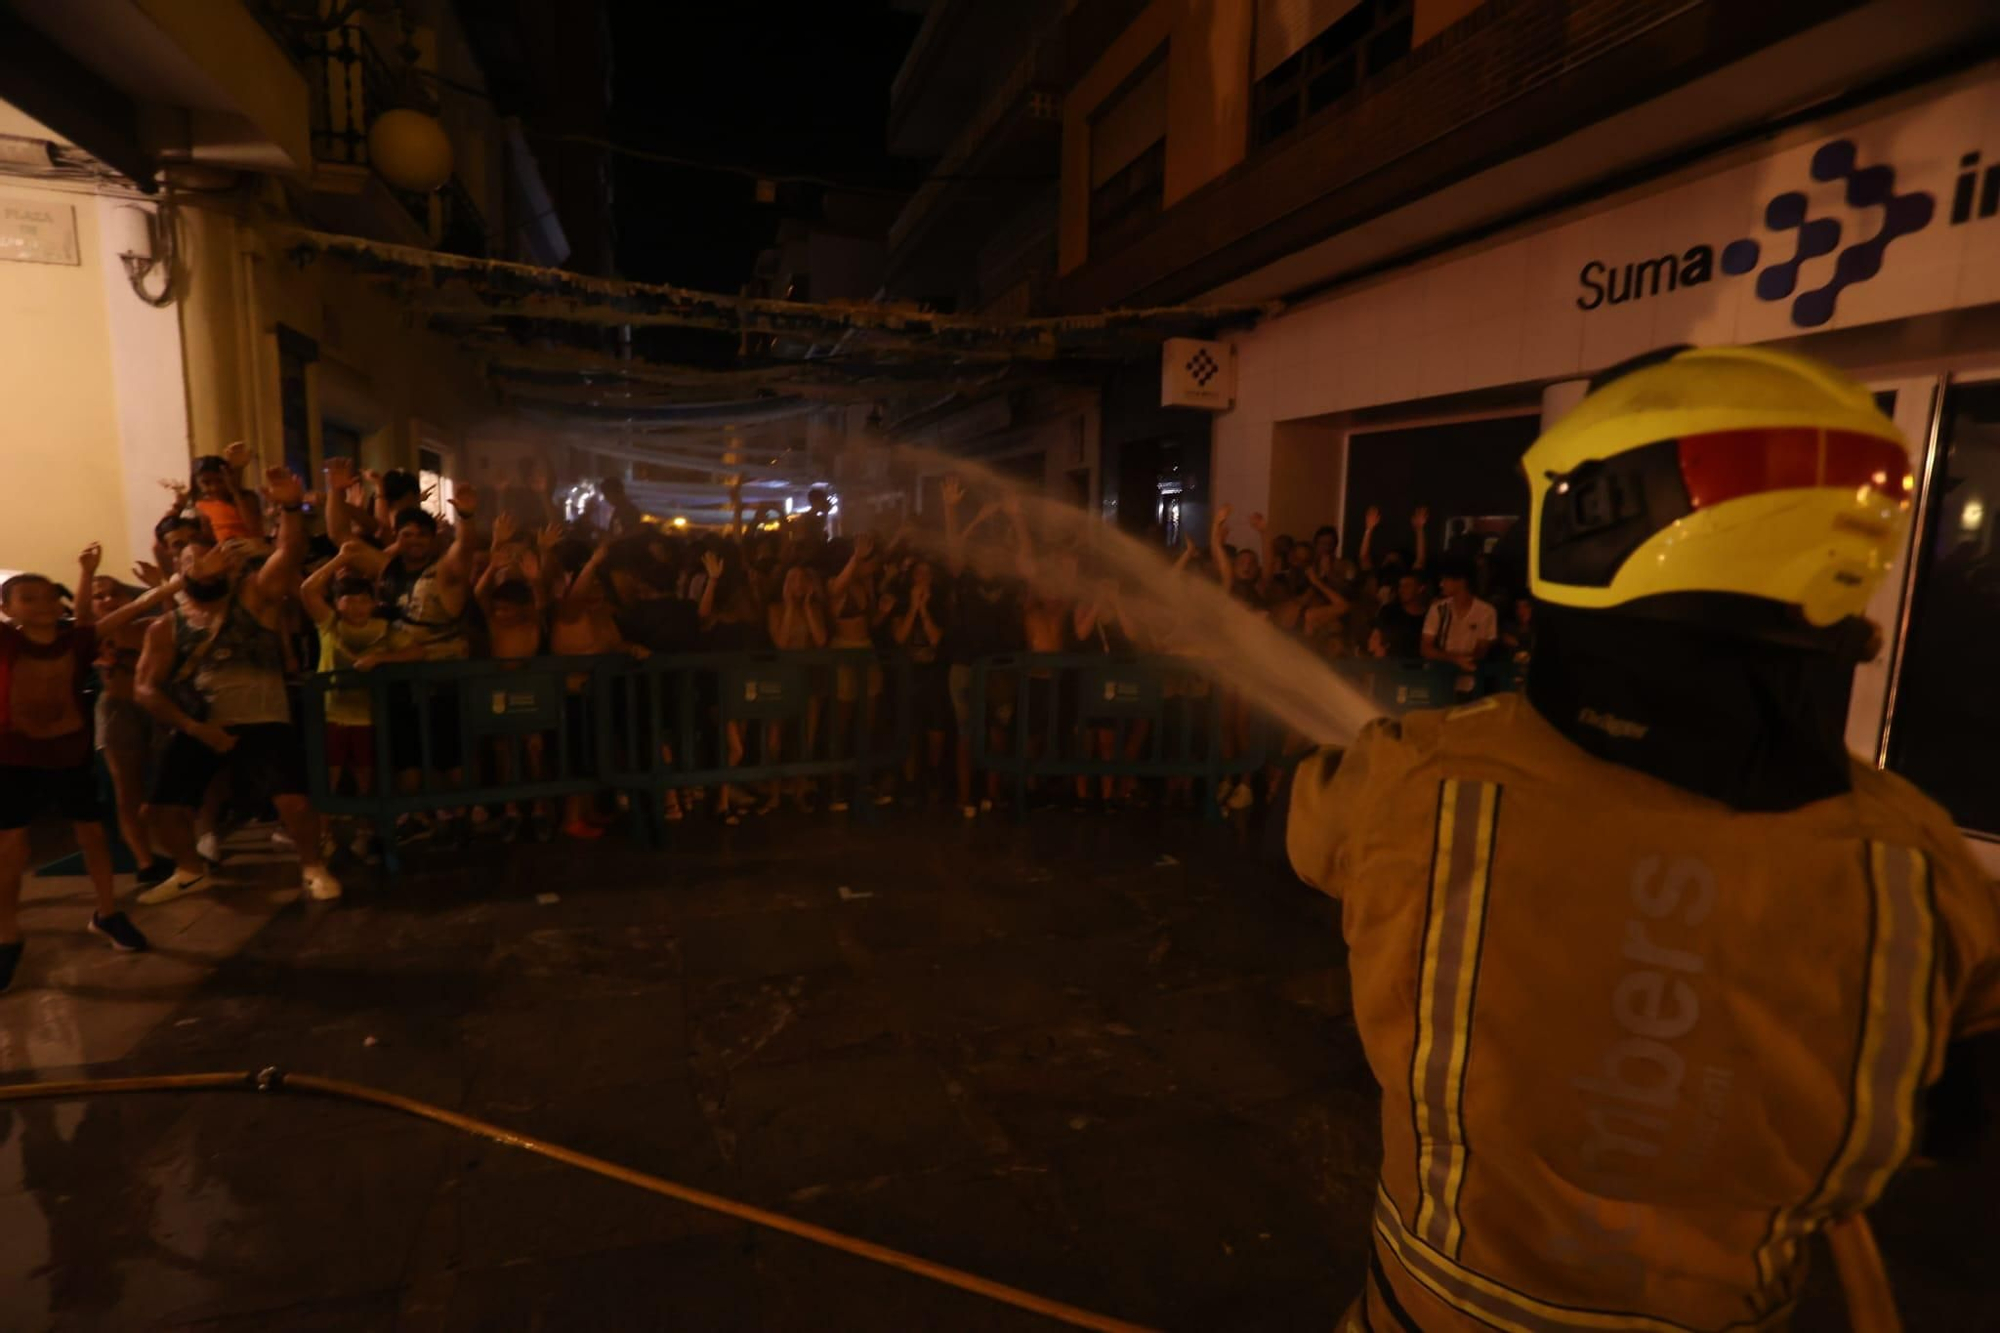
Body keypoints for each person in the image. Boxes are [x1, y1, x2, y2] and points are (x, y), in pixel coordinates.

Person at [1283, 345, 2000, 1330]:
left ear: (1588, 522)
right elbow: (1948, 1119)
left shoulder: (1421, 780)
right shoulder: (1915, 862)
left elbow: (1310, 826)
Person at [136, 469, 340, 904]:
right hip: (201, 724)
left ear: (226, 562)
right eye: (187, 561)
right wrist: (194, 728)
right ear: (176, 570)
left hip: (264, 718)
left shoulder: (254, 598)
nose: (197, 566)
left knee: (294, 804)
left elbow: (288, 553)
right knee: (160, 811)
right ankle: (190, 869)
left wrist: (289, 508)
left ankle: (311, 864)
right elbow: (146, 689)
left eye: (204, 558)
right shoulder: (165, 628)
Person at [0, 547, 154, 992]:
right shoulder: (6, 640)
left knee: (91, 835)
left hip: (68, 753)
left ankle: (107, 912)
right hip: (13, 756)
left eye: (48, 596)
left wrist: (180, 581)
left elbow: (137, 607)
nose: (42, 604)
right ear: (8, 609)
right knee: (10, 846)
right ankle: (8, 934)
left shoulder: (78, 640)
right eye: (28, 598)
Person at [301, 544, 419, 861]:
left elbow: (416, 651)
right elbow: (308, 590)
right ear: (337, 603)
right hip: (331, 715)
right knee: (330, 776)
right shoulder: (330, 624)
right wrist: (342, 558)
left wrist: (381, 658)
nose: (356, 606)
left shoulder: (382, 629)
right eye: (348, 599)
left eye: (363, 600)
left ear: (373, 603)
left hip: (366, 716)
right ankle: (325, 837)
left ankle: (365, 834)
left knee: (367, 777)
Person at [90, 574, 183, 887]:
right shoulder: (92, 633)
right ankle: (145, 861)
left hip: (155, 707)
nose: (107, 600)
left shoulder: (148, 627)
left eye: (113, 593)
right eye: (99, 596)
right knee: (126, 789)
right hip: (117, 710)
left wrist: (162, 588)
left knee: (164, 785)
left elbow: (177, 623)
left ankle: (179, 852)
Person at [1419, 553, 1498, 693]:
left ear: (1461, 581)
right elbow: (1426, 648)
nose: (1441, 584)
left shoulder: (1486, 612)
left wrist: (1466, 660)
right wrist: (1454, 659)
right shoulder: (1438, 609)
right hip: (1439, 684)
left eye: (1445, 579)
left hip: (1472, 687)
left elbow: (1482, 649)